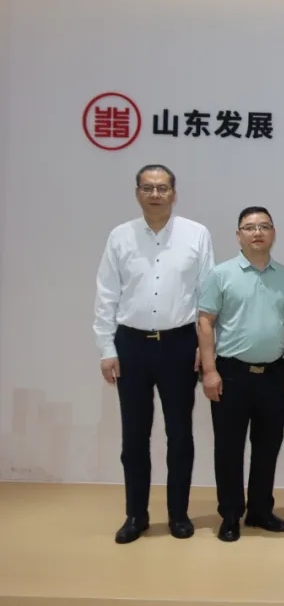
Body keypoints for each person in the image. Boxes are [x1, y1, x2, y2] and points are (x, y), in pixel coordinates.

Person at [93, 164, 215, 544]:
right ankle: (136, 515)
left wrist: (205, 350)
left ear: (174, 193)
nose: (156, 194)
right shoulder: (120, 236)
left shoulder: (196, 234)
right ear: (137, 193)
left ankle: (178, 514)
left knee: (179, 435)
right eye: (148, 188)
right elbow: (106, 294)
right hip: (131, 345)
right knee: (134, 436)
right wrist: (106, 348)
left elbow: (207, 297)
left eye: (163, 188)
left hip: (180, 345)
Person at [196, 206, 284, 542]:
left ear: (273, 233)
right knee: (229, 448)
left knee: (268, 446)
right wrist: (210, 371)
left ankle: (260, 510)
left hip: (272, 374)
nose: (257, 232)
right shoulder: (221, 274)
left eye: (264, 226)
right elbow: (205, 323)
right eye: (250, 227)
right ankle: (230, 514)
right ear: (238, 235)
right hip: (231, 374)